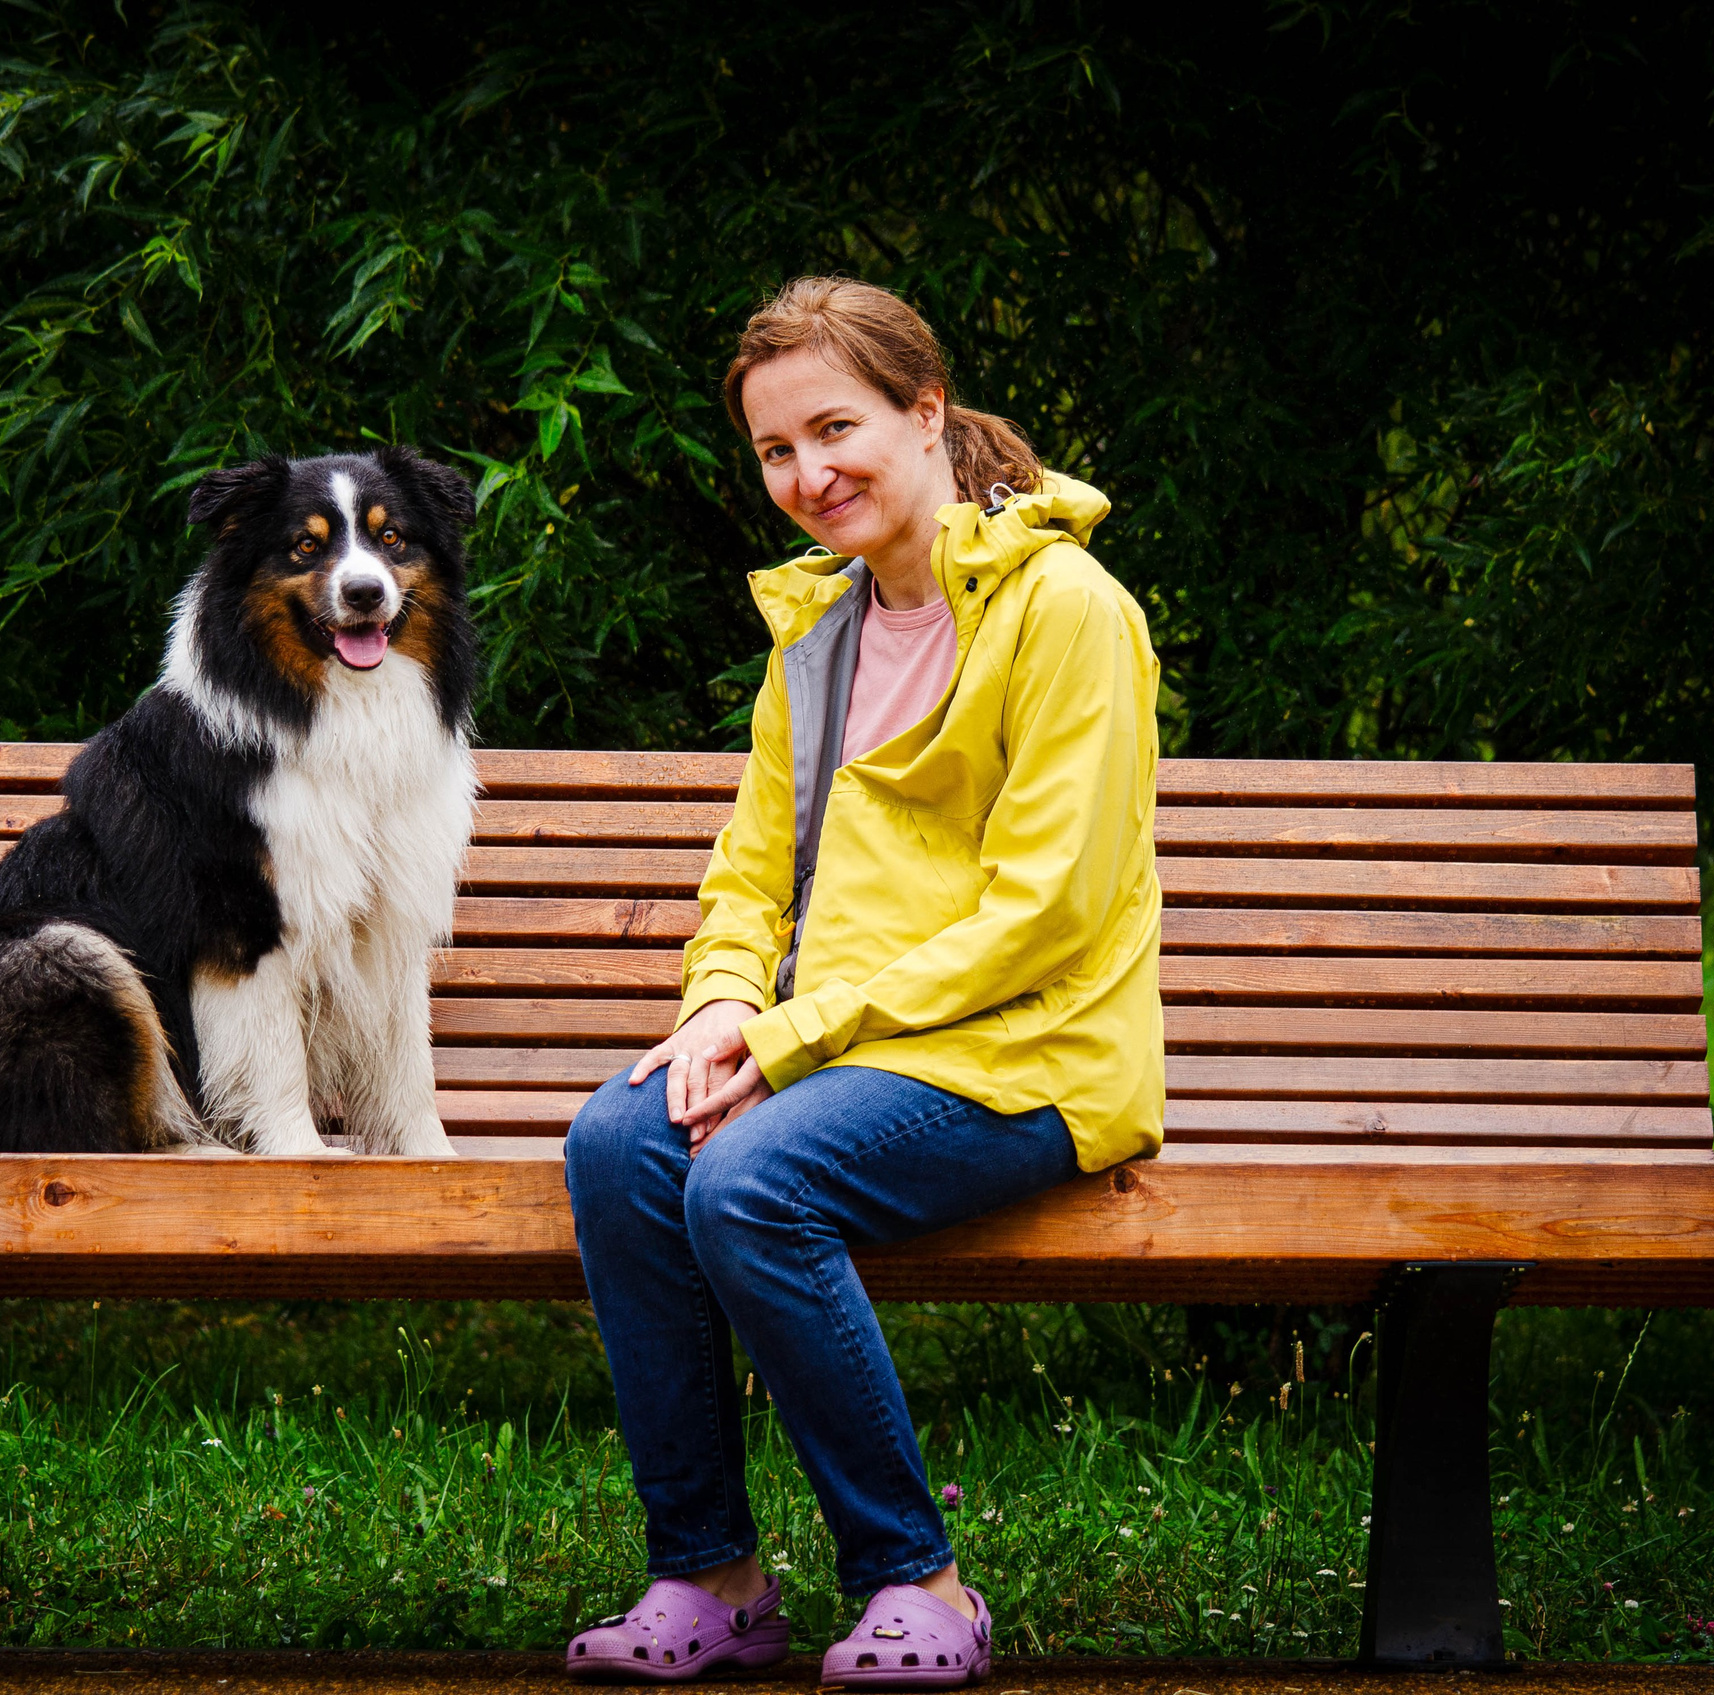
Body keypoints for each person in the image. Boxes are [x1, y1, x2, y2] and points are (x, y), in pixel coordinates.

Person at [561, 277, 1164, 1689]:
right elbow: (751, 874)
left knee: (749, 1185)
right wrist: (720, 1005)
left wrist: (792, 1036)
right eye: (776, 450)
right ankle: (709, 1577)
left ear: (928, 411)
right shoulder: (818, 634)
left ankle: (921, 1584)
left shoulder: (1067, 612)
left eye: (836, 428)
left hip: (1031, 1056)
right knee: (613, 1144)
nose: (806, 474)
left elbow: (1044, 917)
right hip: (850, 1053)